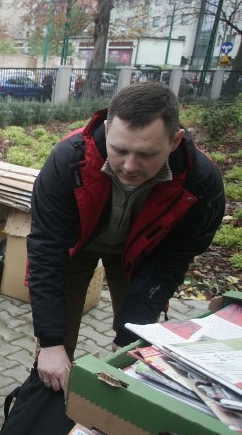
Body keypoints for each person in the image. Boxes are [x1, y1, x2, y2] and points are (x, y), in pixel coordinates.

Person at [28, 81, 225, 393]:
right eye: (119, 150)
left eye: (146, 154)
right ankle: (45, 406)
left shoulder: (200, 185)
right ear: (108, 129)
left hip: (144, 256)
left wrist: (127, 343)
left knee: (135, 344)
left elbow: (169, 264)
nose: (130, 166)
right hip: (75, 246)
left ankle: (118, 412)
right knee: (55, 345)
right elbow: (47, 250)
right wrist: (51, 343)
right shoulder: (68, 161)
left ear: (174, 141)